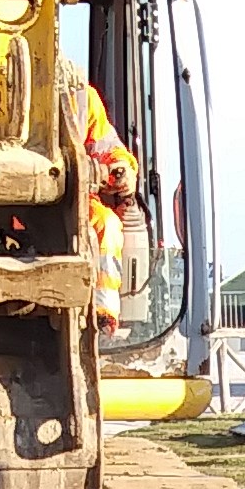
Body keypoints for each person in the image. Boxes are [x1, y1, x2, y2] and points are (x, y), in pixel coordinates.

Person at [66, 76, 148, 334]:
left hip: (74, 201)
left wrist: (122, 166)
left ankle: (103, 317)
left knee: (107, 225)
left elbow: (107, 146)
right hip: (11, 212)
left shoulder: (80, 97)